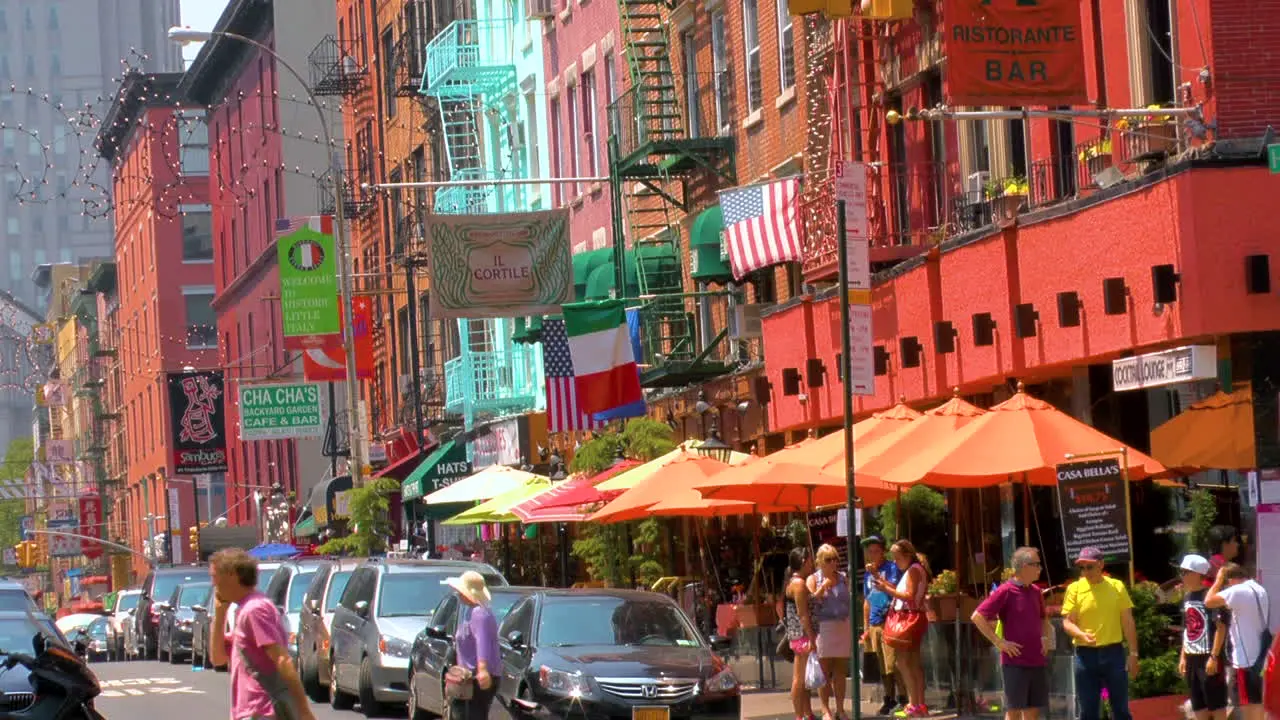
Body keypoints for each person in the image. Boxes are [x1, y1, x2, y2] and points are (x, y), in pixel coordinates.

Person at [208, 548, 316, 720]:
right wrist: (220, 614)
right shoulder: (244, 609)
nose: (213, 583)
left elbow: (282, 660)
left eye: (214, 576)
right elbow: (218, 658)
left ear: (232, 575)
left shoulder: (255, 610)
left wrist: (303, 711)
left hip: (262, 712)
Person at [971, 547, 1051, 720]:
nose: (1040, 568)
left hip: (1036, 660)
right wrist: (999, 643)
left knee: (1033, 710)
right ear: (1023, 567)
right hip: (1015, 662)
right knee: (1014, 710)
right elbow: (977, 617)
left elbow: (1043, 618)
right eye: (1036, 564)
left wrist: (1045, 638)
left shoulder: (1036, 591)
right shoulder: (1005, 591)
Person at [1060, 547, 1139, 720]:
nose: (1086, 571)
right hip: (1085, 655)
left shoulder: (1116, 586)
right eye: (1082, 568)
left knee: (1121, 710)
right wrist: (1080, 634)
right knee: (1088, 711)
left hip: (1114, 653)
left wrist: (1133, 653)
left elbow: (1128, 621)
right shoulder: (1074, 588)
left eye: (1090, 567)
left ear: (1101, 564)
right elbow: (1067, 622)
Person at [1205, 562, 1271, 720]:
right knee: (1257, 702)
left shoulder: (1238, 591)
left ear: (1230, 580)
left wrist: (1218, 580)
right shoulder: (1258, 588)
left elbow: (1208, 601)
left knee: (1248, 705)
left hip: (1245, 659)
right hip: (1259, 655)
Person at [871, 539, 929, 718]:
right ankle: (919, 704)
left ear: (907, 555)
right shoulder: (915, 570)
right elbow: (902, 590)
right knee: (913, 663)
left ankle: (914, 703)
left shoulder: (912, 571)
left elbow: (908, 595)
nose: (895, 562)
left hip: (908, 618)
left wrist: (886, 590)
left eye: (897, 558)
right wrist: (882, 581)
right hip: (915, 617)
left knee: (903, 662)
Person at [1176, 554, 1229, 720]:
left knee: (1217, 703)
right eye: (1181, 572)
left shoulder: (1210, 596)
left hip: (1208, 655)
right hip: (1192, 657)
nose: (1182, 576)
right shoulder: (1186, 597)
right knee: (1197, 703)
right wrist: (1183, 657)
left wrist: (1214, 656)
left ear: (1197, 574)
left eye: (1185, 572)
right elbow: (1187, 629)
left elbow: (1221, 627)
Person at [860, 535, 905, 715]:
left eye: (875, 551)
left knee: (894, 663)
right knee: (882, 665)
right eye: (869, 552)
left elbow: (895, 588)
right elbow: (867, 600)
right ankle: (889, 697)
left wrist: (877, 575)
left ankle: (904, 697)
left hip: (890, 620)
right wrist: (865, 628)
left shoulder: (892, 568)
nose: (872, 555)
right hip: (874, 623)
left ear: (883, 551)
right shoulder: (866, 575)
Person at [447, 570, 501, 720]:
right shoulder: (470, 611)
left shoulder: (479, 614)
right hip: (468, 677)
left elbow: (482, 641)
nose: (458, 593)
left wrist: (483, 669)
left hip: (477, 678)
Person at [808, 544, 852, 720]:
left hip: (842, 626)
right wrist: (822, 587)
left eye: (835, 559)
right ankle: (825, 709)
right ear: (820, 562)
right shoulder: (814, 579)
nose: (833, 563)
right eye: (828, 560)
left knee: (841, 671)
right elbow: (810, 602)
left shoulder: (843, 577)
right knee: (825, 672)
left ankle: (840, 708)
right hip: (823, 628)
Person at [784, 546, 817, 720]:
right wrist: (812, 637)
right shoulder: (798, 584)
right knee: (799, 678)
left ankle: (807, 713)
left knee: (804, 678)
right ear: (804, 562)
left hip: (798, 634)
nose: (813, 564)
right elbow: (803, 614)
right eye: (810, 560)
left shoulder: (794, 582)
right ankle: (799, 715)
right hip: (801, 635)